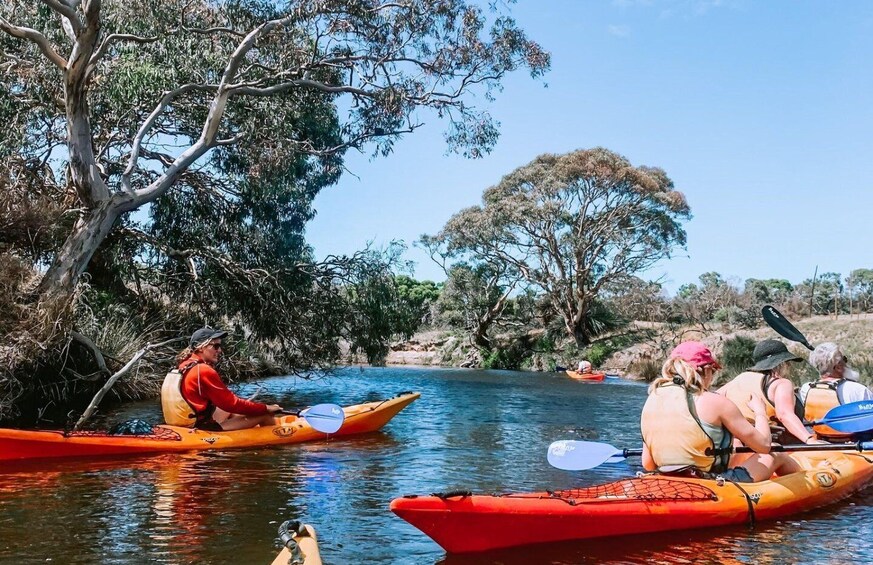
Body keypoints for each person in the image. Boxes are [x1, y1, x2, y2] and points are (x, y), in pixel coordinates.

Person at [641, 341, 800, 482]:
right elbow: (764, 446)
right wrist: (760, 412)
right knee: (775, 451)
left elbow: (648, 464)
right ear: (706, 369)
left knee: (735, 446)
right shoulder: (715, 402)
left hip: (666, 478)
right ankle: (810, 479)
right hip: (711, 482)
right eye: (714, 371)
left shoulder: (652, 400)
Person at [161, 327, 283, 431]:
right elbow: (232, 404)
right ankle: (275, 445)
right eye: (216, 346)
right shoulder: (203, 370)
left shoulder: (182, 365)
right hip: (200, 428)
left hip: (183, 424)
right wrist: (266, 407)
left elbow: (227, 404)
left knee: (225, 409)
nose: (219, 350)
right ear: (201, 348)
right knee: (265, 414)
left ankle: (243, 430)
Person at [718, 339, 820, 445]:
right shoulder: (781, 384)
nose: (789, 366)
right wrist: (809, 439)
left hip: (740, 443)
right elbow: (784, 415)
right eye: (787, 363)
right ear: (781, 364)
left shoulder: (739, 379)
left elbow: (713, 396)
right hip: (775, 446)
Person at [799, 342, 873, 441]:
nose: (846, 363)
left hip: (820, 442)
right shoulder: (858, 390)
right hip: (853, 445)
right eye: (844, 360)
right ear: (838, 367)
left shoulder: (806, 389)